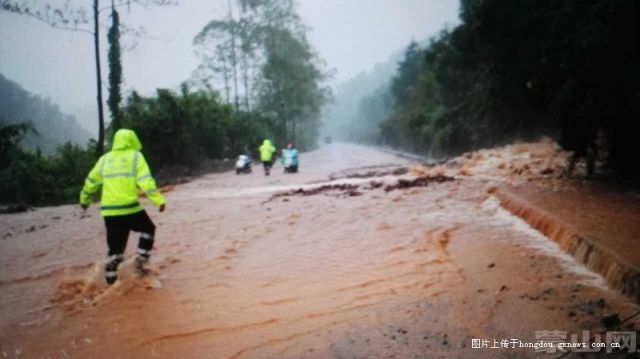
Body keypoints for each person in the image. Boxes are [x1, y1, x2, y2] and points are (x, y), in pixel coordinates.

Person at [79, 129, 166, 284]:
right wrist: (158, 200)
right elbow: (146, 182)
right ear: (132, 141)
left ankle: (111, 282)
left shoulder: (104, 159)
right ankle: (140, 265)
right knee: (148, 229)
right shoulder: (136, 157)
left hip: (110, 212)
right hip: (130, 208)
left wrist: (84, 200)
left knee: (115, 249)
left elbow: (91, 182)